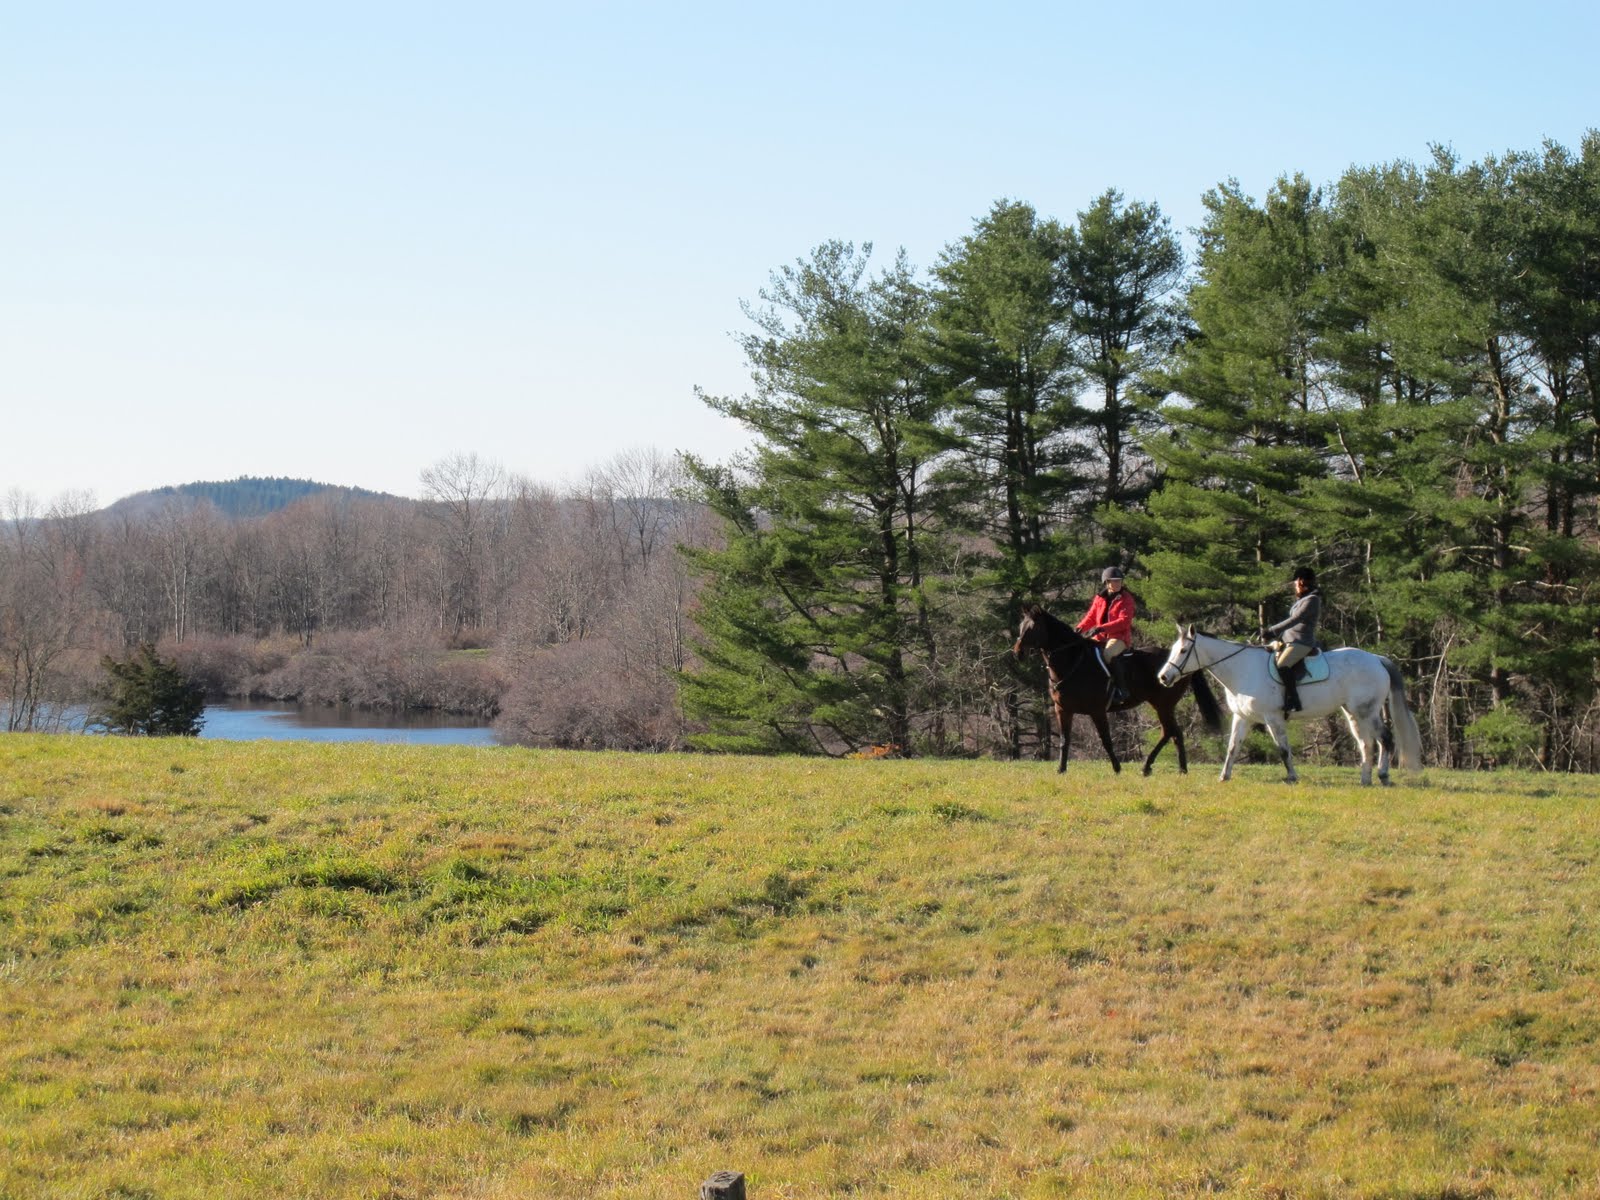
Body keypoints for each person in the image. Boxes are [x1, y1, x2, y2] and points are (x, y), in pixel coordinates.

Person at [1262, 566, 1321, 713]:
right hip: (1288, 641)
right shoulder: (1303, 600)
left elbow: (1296, 619)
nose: (1294, 586)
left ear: (1301, 582)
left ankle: (1294, 701)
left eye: (1295, 583)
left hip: (1301, 642)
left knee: (1282, 665)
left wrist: (1272, 630)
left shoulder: (1312, 600)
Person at [1077, 565, 1136, 704]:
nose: (1117, 584)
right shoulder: (1099, 598)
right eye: (1114, 581)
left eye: (1119, 581)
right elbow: (1091, 617)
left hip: (1119, 638)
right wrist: (1080, 628)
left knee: (1108, 655)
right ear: (1106, 582)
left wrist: (1102, 628)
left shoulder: (1126, 599)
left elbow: (1124, 622)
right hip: (1099, 637)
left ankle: (1121, 690)